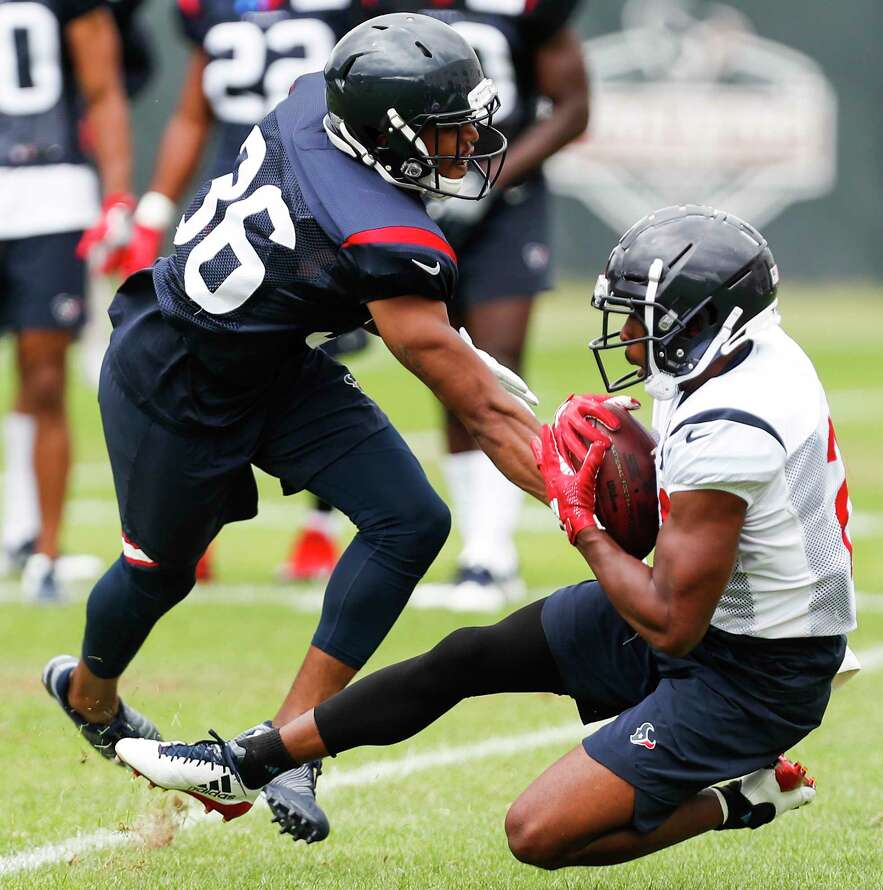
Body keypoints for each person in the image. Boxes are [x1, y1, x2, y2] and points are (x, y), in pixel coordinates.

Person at [115, 206, 857, 868]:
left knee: (537, 833)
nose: (629, 333)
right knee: (469, 655)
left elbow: (668, 625)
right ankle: (245, 763)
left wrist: (582, 518)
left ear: (704, 321)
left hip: (754, 671)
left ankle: (744, 798)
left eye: (644, 316)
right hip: (726, 615)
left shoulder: (732, 425)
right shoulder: (750, 356)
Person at [43, 13, 544, 844]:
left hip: (272, 363)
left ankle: (287, 742)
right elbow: (483, 411)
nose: (468, 146)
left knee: (411, 519)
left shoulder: (319, 100)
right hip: (174, 378)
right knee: (160, 573)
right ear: (388, 133)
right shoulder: (385, 236)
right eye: (446, 132)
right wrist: (583, 501)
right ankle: (87, 695)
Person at [354, 0, 589, 609]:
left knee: (497, 354)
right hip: (415, 188)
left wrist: (495, 174)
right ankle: (480, 549)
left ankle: (490, 552)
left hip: (504, 202)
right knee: (446, 364)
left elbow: (573, 107)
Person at [117, 0, 362, 583]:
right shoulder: (210, 11)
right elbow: (193, 114)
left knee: (321, 365)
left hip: (316, 203)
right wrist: (152, 208)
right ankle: (199, 525)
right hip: (239, 205)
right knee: (214, 360)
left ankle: (318, 531)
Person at [0, 0, 134, 601]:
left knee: (44, 373)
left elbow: (104, 90)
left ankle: (44, 550)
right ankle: (19, 528)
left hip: (51, 193)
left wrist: (117, 196)